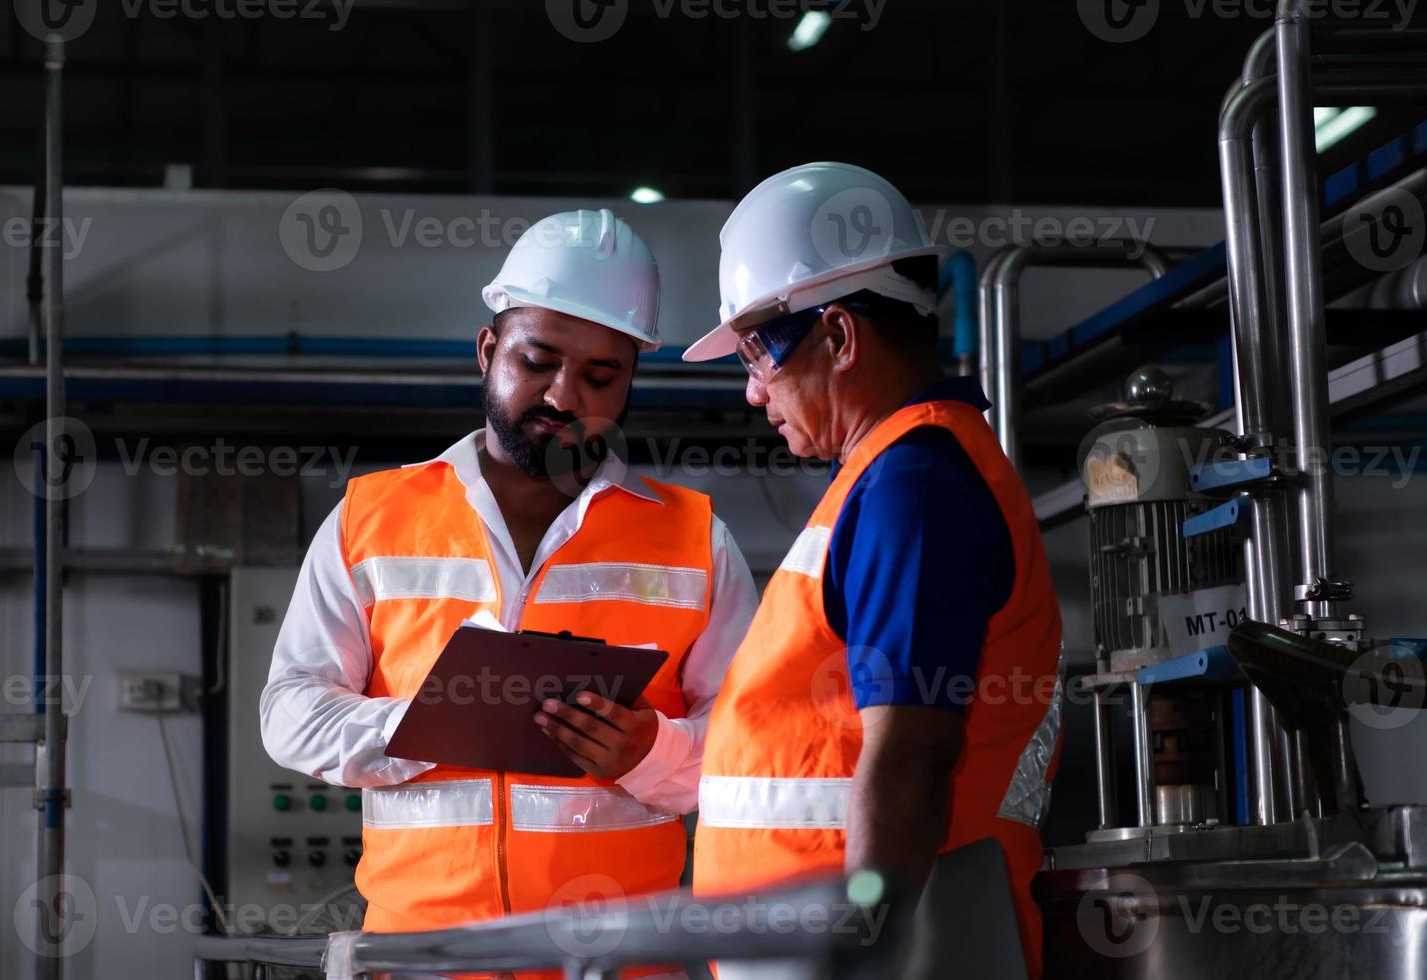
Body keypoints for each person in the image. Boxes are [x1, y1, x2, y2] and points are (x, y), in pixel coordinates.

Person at [261, 208, 759, 954]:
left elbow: (751, 743)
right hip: (419, 962)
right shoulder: (370, 519)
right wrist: (428, 722)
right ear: (487, 349)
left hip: (616, 965)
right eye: (538, 361)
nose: (564, 397)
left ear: (629, 382)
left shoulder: (695, 539)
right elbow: (288, 712)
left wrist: (651, 753)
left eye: (599, 376)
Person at [683, 163, 1064, 979]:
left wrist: (866, 946)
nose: (752, 393)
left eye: (756, 353)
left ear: (839, 337)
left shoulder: (913, 487)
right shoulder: (882, 480)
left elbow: (912, 749)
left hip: (889, 953)